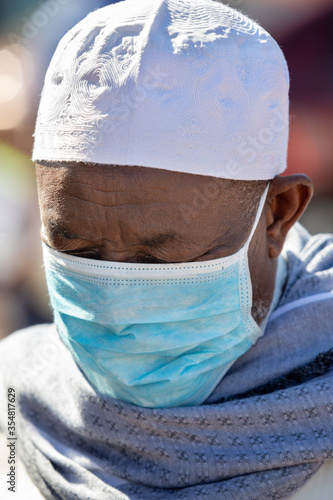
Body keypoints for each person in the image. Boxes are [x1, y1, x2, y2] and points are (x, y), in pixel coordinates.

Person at [1, 0, 333, 498]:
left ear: (277, 216)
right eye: (79, 247)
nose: (117, 306)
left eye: (157, 257)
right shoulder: (15, 398)